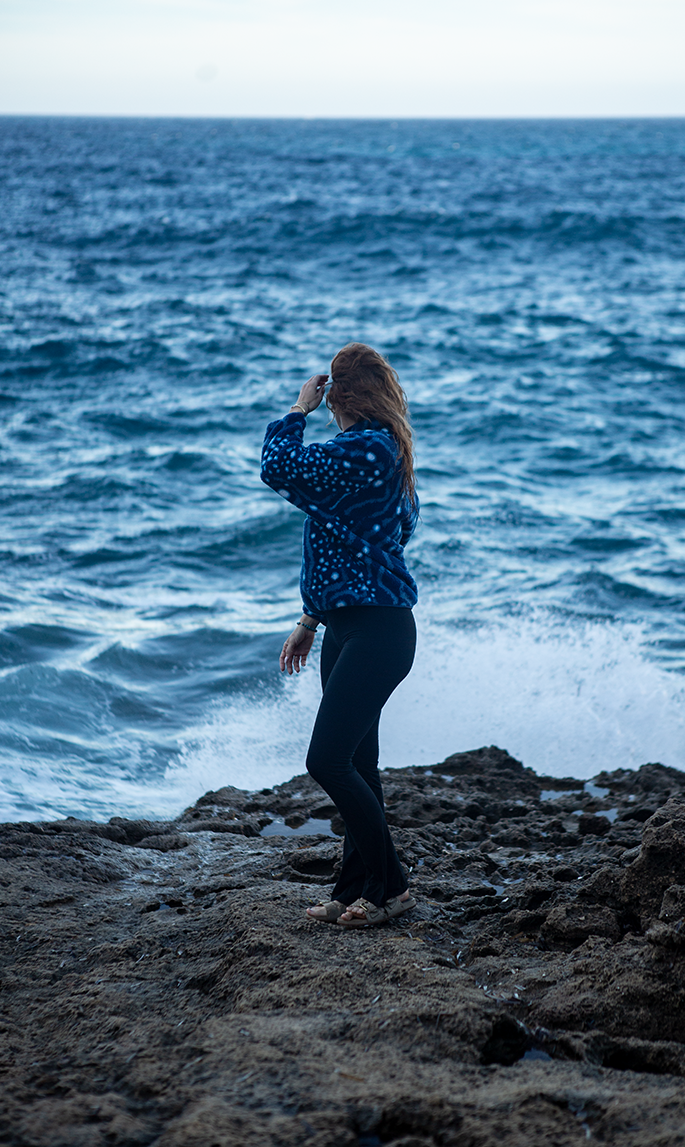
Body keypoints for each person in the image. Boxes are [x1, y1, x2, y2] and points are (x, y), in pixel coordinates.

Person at [260, 343, 419, 928]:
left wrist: (298, 410)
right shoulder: (377, 454)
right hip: (349, 626)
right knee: (360, 762)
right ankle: (353, 886)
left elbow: (277, 466)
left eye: (328, 394)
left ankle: (391, 889)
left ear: (339, 396)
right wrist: (310, 619)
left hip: (380, 631)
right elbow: (341, 544)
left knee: (327, 760)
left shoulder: (369, 451)